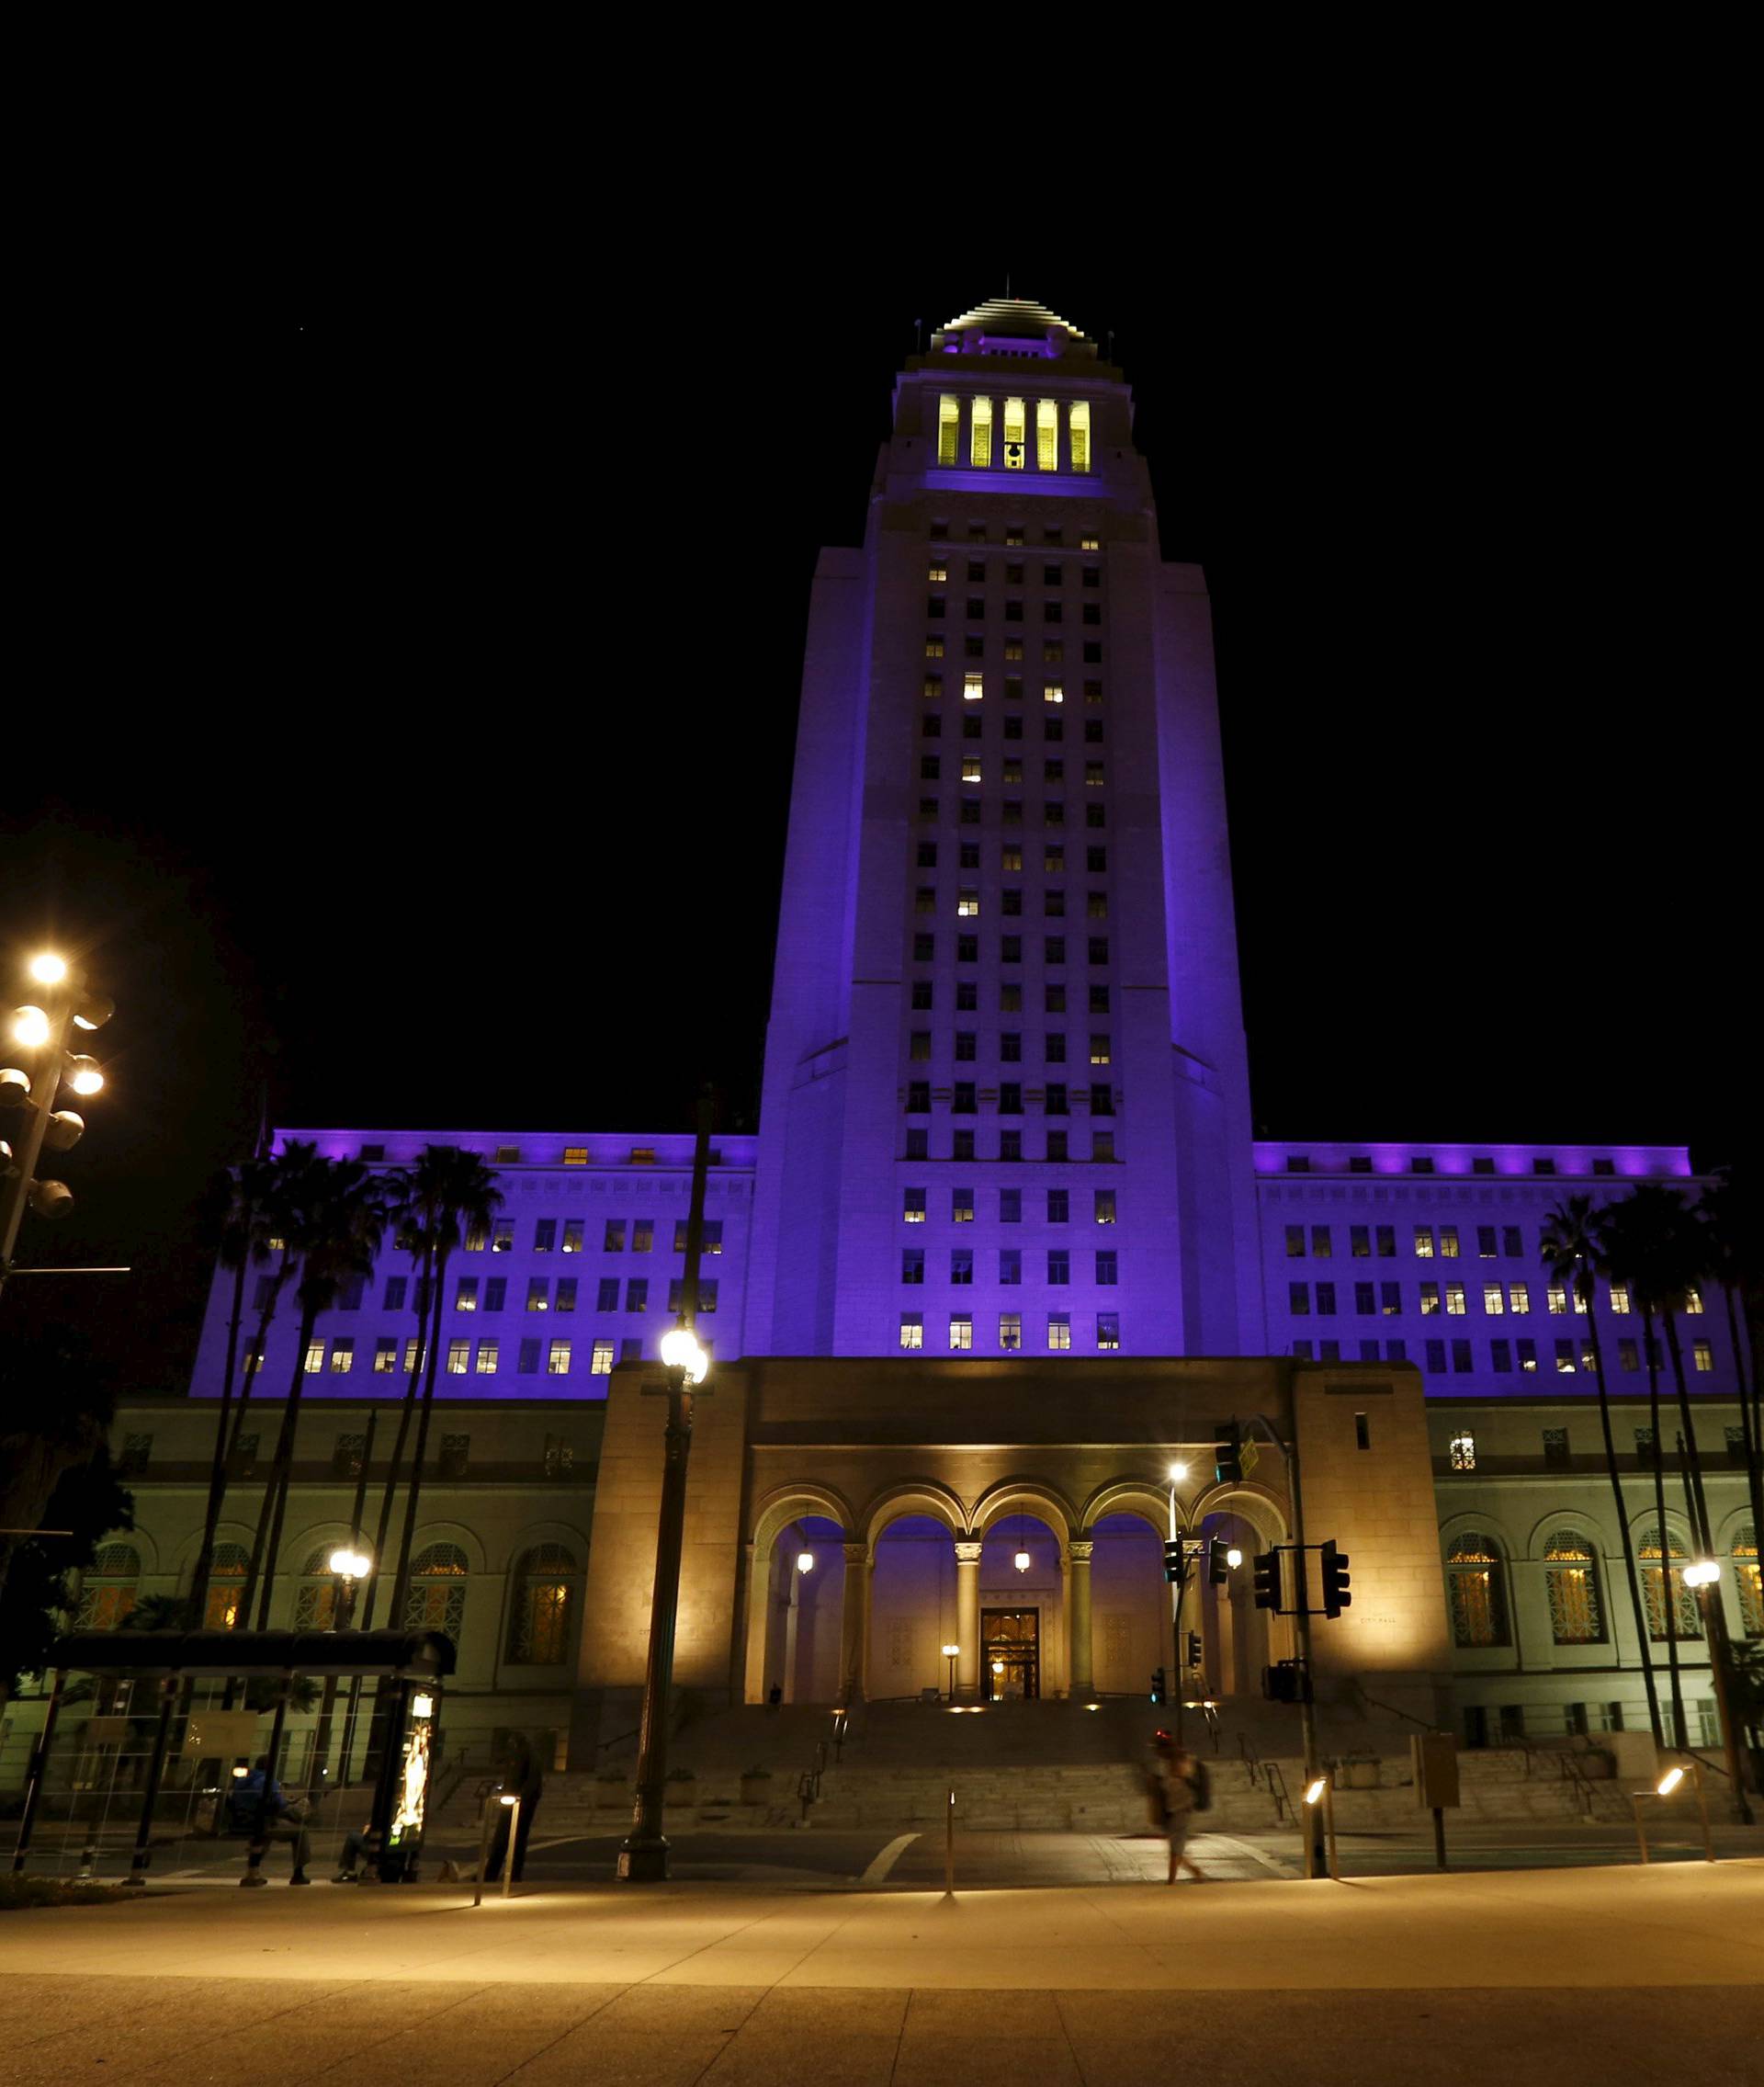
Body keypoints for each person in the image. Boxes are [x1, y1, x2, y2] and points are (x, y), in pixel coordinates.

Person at [232, 1756, 312, 1883]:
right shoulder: (269, 1781)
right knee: (301, 1831)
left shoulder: (242, 1782)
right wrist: (290, 1804)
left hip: (246, 1821)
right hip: (264, 1822)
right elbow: (278, 1804)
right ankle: (298, 1874)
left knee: (264, 1834)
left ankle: (253, 1872)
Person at [483, 1731, 544, 1884]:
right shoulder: (519, 1755)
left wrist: (522, 1797)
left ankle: (509, 1873)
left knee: (514, 1837)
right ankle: (496, 1872)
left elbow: (532, 1780)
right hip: (513, 1798)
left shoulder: (527, 1755)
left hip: (520, 1802)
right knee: (505, 1837)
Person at [1150, 1731, 1207, 1884]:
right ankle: (1195, 1871)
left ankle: (1172, 1880)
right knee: (1175, 1845)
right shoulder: (1172, 1763)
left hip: (1181, 1809)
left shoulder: (1178, 1762)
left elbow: (1177, 1784)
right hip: (1174, 1809)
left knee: (1175, 1847)